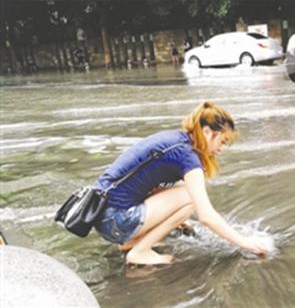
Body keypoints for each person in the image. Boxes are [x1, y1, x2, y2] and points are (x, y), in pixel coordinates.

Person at [94, 102, 268, 265]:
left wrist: (177, 218)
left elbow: (149, 186)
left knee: (185, 191)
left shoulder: (175, 141)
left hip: (103, 216)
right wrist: (246, 243)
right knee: (191, 199)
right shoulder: (187, 157)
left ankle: (130, 242)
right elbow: (206, 216)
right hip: (115, 220)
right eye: (222, 141)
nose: (221, 148)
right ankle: (140, 252)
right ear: (207, 132)